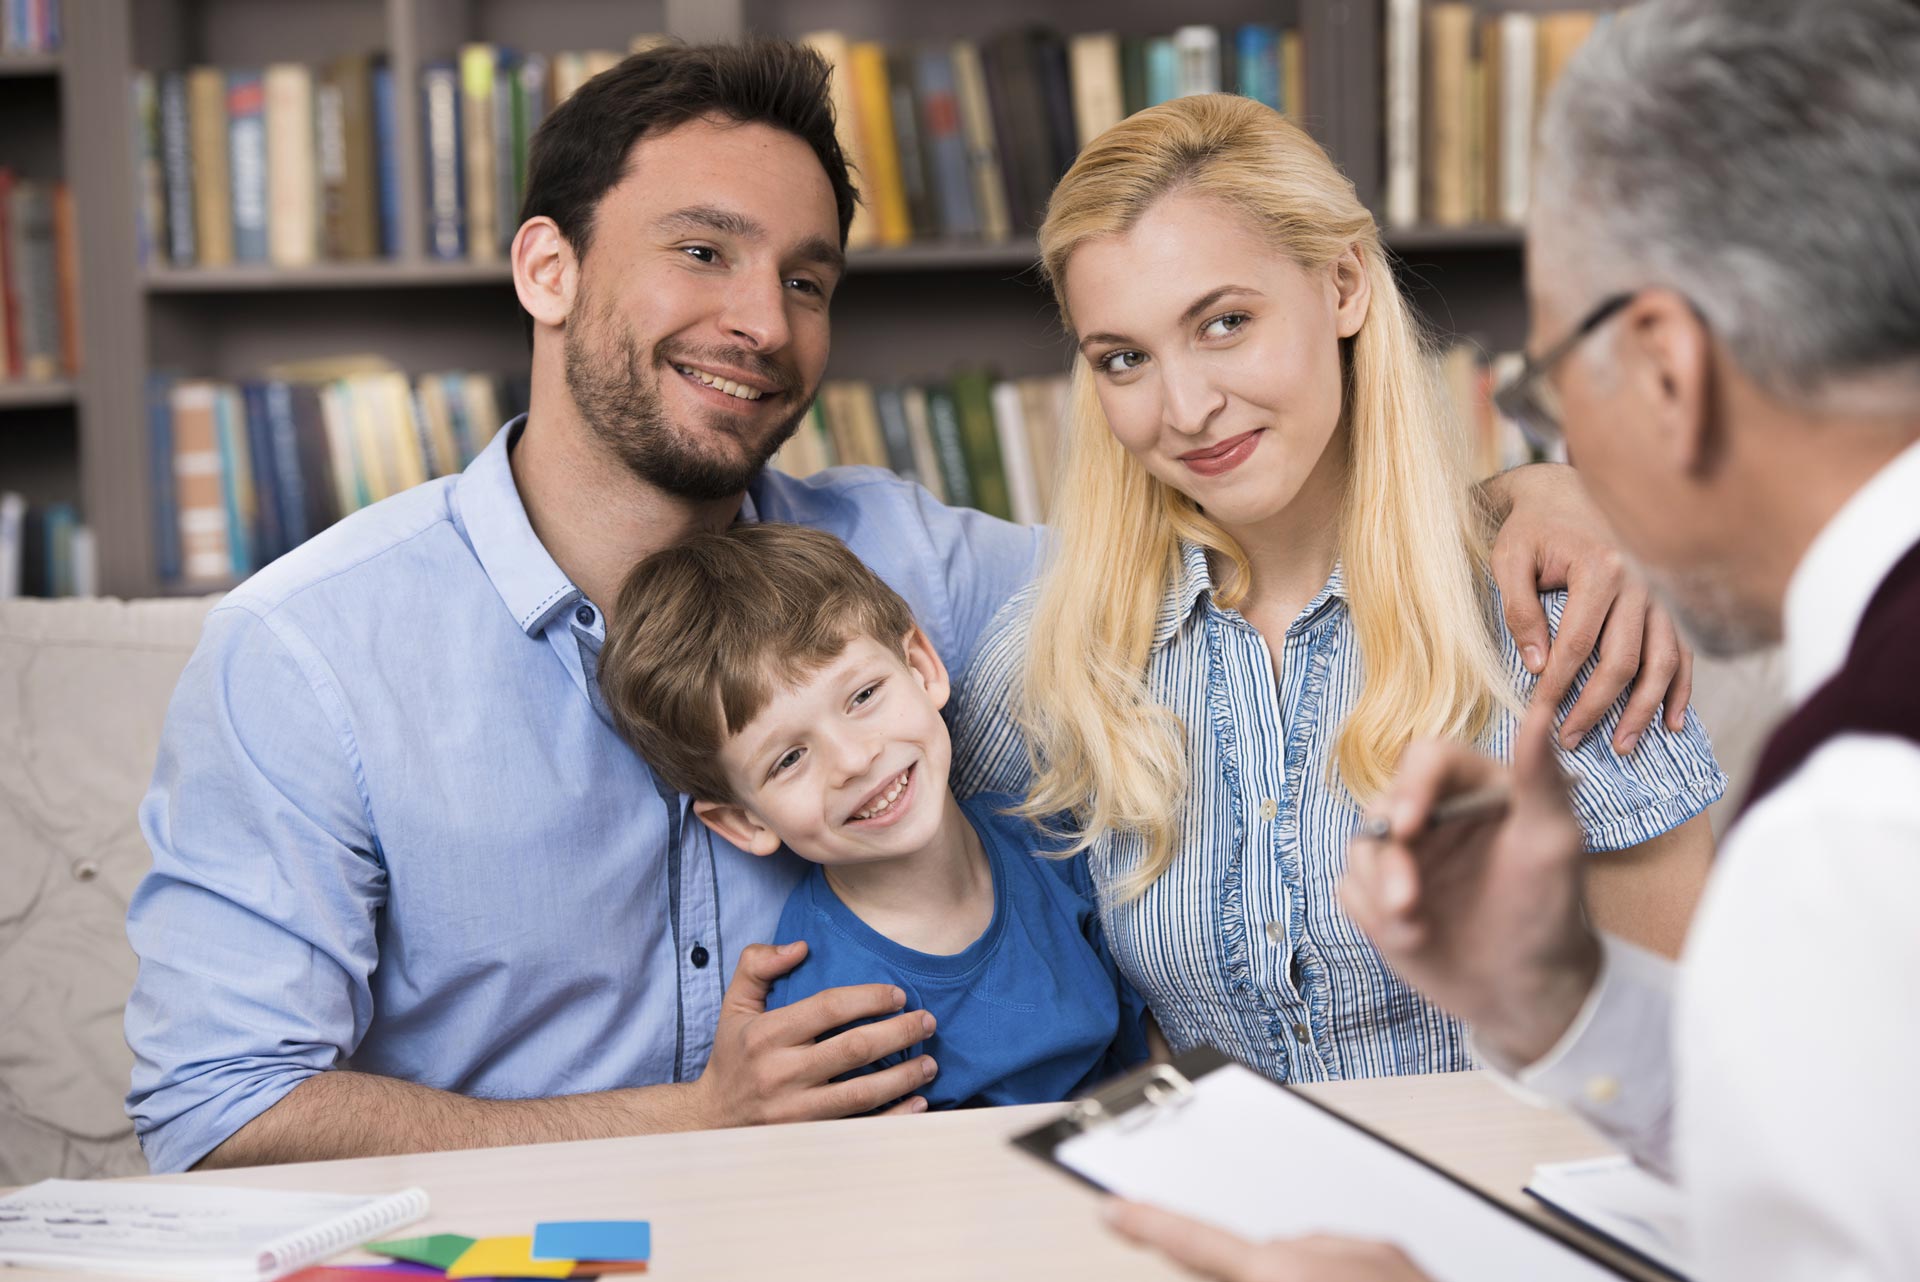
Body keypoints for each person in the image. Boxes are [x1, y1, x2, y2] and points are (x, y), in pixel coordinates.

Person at [123, 38, 1694, 1175]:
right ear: (546, 269)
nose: (759, 319)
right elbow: (211, 1104)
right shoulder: (311, 652)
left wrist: (1540, 498)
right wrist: (688, 1118)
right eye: (701, 251)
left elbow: (1251, 529)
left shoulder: (926, 583)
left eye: (806, 277)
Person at [1105, 1, 1920, 1279]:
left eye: (1548, 387)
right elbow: (1822, 1156)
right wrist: (1564, 1001)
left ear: (1665, 368)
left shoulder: (1859, 810)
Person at [953, 92, 1721, 1090]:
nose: (1185, 409)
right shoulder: (1053, 660)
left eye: (1225, 322)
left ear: (1346, 285)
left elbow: (1693, 1068)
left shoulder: (1561, 621)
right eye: (1125, 359)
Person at [597, 522, 1150, 1108]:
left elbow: (1152, 1042)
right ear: (745, 822)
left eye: (862, 696)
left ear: (921, 667)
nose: (855, 760)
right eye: (788, 759)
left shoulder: (1054, 838)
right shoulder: (829, 1009)